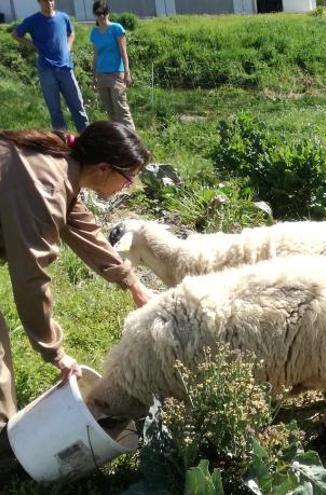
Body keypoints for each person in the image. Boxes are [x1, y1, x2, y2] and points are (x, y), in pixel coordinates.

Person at [0, 121, 154, 473]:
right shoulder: (45, 185)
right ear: (103, 169)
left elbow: (84, 230)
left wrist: (132, 282)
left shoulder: (60, 167)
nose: (125, 188)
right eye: (127, 179)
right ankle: (7, 452)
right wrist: (55, 352)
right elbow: (30, 277)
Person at [11, 0, 90, 133]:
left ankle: (87, 138)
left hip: (66, 69)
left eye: (52, 0)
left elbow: (71, 33)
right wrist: (31, 44)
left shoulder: (63, 17)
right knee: (55, 110)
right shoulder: (32, 20)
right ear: (39, 2)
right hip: (46, 70)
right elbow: (15, 34)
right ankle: (61, 142)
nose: (50, 3)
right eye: (46, 1)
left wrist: (68, 47)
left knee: (78, 106)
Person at [89, 1, 135, 129]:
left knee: (122, 110)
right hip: (101, 75)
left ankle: (134, 142)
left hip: (116, 74)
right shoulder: (94, 32)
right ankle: (120, 141)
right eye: (99, 13)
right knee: (111, 114)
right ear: (95, 15)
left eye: (105, 13)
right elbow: (96, 55)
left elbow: (123, 52)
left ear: (108, 13)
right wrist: (93, 79)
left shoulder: (117, 28)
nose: (102, 16)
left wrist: (127, 72)